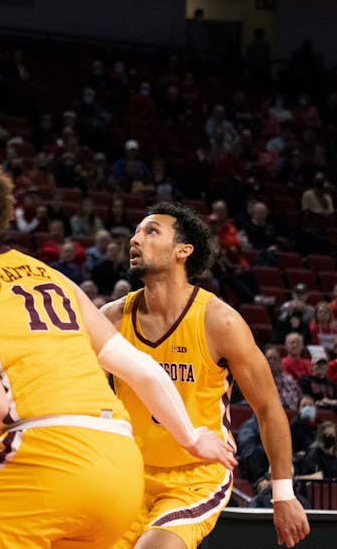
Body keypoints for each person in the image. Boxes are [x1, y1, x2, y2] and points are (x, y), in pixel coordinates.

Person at [0, 153, 235, 549]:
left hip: (45, 458)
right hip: (119, 469)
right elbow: (142, 369)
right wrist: (190, 438)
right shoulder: (53, 277)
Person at [102, 203, 309, 549]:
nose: (136, 239)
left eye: (151, 231)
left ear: (184, 250)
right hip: (127, 473)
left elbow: (269, 408)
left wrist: (283, 494)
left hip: (194, 476)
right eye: (136, 232)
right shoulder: (112, 317)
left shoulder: (219, 322)